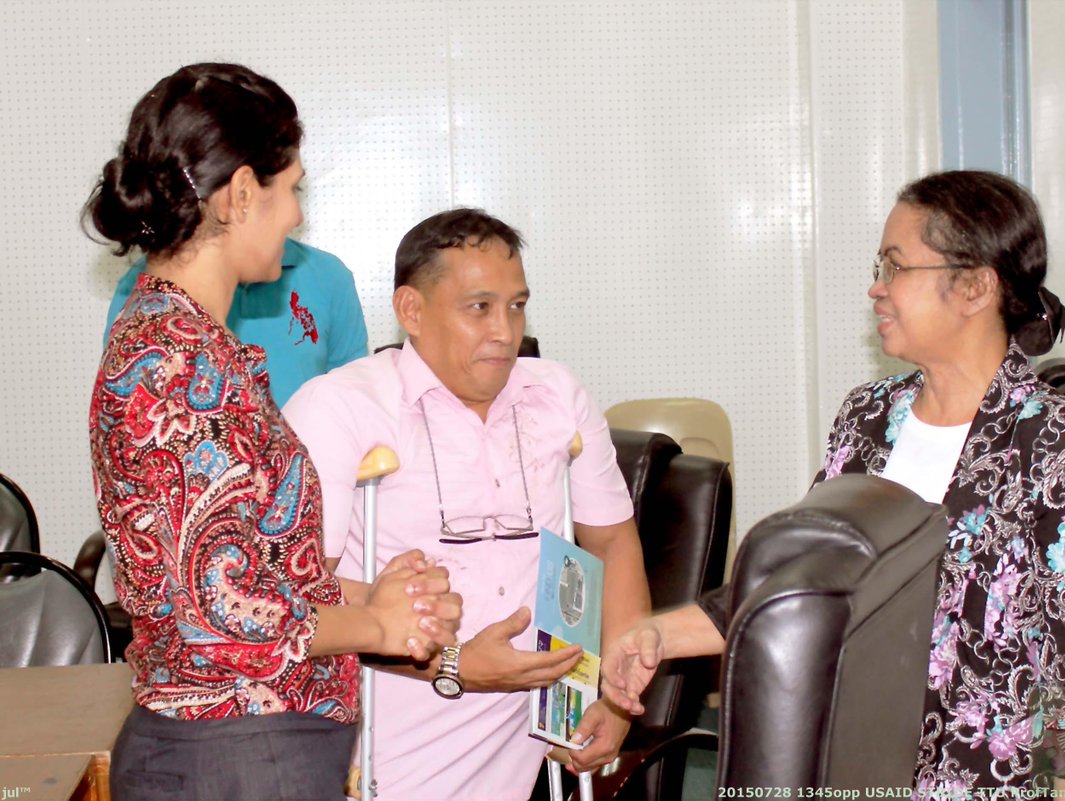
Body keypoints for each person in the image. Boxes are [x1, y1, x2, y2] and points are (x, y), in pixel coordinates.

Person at [601, 171, 1065, 796]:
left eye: (896, 266)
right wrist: (656, 634)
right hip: (850, 766)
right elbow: (798, 582)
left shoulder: (1063, 446)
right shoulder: (869, 416)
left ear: (975, 286)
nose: (877, 287)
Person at [84, 63, 462, 801]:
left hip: (251, 752)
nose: (294, 217)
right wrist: (377, 627)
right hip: (236, 756)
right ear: (240, 194)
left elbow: (256, 573)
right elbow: (219, 614)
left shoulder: (195, 343)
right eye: (291, 190)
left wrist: (375, 599)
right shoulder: (170, 361)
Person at [283, 208, 651, 800]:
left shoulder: (556, 395)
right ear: (411, 310)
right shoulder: (339, 408)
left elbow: (612, 541)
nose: (504, 331)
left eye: (516, 306)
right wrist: (455, 665)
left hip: (533, 733)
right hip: (383, 740)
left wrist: (616, 695)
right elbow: (296, 600)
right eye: (479, 307)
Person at [104, 236, 368, 406]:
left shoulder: (328, 276)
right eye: (288, 188)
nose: (296, 213)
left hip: (312, 470)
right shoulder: (145, 283)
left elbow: (352, 403)